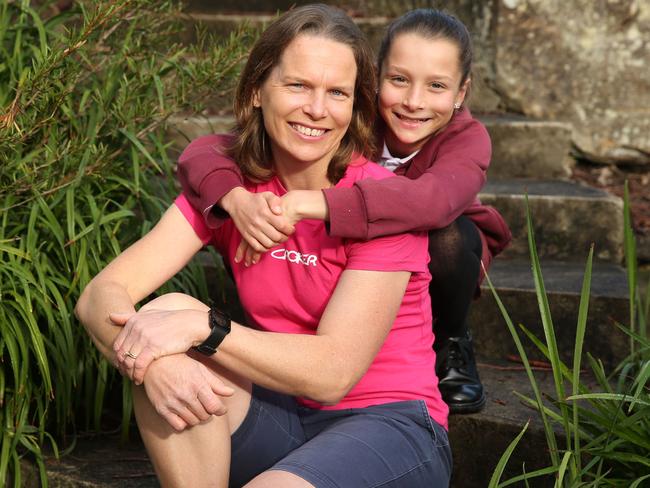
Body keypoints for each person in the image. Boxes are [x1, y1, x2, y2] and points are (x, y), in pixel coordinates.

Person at [76, 5, 452, 487]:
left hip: (390, 428)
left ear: (353, 107)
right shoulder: (234, 193)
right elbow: (100, 295)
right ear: (257, 90)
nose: (317, 110)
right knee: (164, 319)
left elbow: (332, 374)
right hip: (280, 417)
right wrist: (153, 365)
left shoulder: (380, 205)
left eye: (336, 93)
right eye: (297, 85)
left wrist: (204, 328)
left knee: (181, 323)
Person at [177, 9, 512, 414]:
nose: (413, 101)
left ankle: (452, 341)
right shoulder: (342, 116)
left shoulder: (468, 139)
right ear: (373, 81)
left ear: (461, 93)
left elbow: (430, 202)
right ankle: (279, 323)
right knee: (258, 213)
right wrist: (235, 200)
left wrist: (310, 202)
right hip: (339, 255)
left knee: (446, 237)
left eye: (437, 86)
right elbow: (206, 152)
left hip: (441, 251)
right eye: (398, 79)